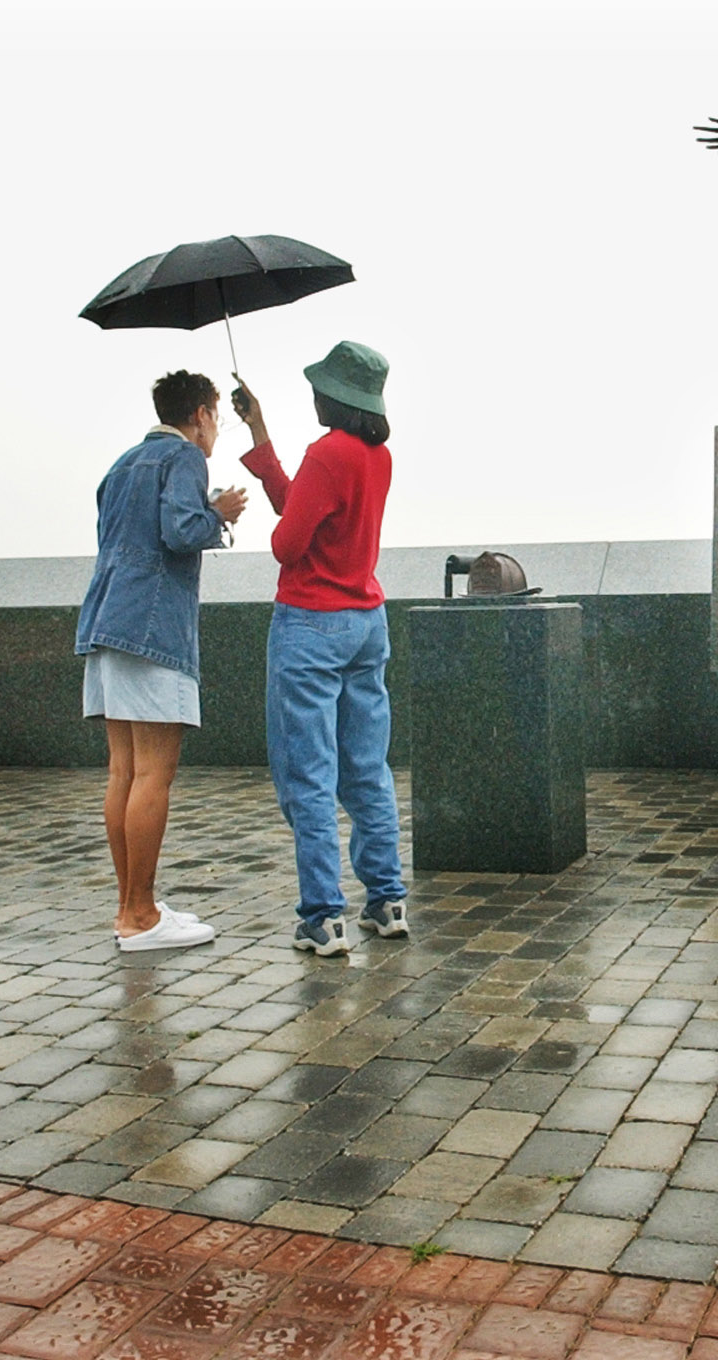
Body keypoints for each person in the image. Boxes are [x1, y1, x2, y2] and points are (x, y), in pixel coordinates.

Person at [233, 341, 409, 957]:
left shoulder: (327, 453)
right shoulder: (376, 456)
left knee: (307, 775)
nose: (312, 395)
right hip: (366, 621)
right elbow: (307, 507)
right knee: (367, 769)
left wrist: (279, 511)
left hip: (310, 624)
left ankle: (323, 918)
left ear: (334, 396)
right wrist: (259, 430)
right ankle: (386, 902)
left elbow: (287, 543)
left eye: (318, 388)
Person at [75, 371, 247, 952]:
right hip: (152, 630)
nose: (216, 430)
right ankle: (143, 914)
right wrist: (218, 511)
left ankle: (128, 908)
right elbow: (178, 531)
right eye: (217, 418)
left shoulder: (121, 465)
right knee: (154, 773)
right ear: (199, 414)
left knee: (122, 772)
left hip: (106, 621)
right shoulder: (185, 458)